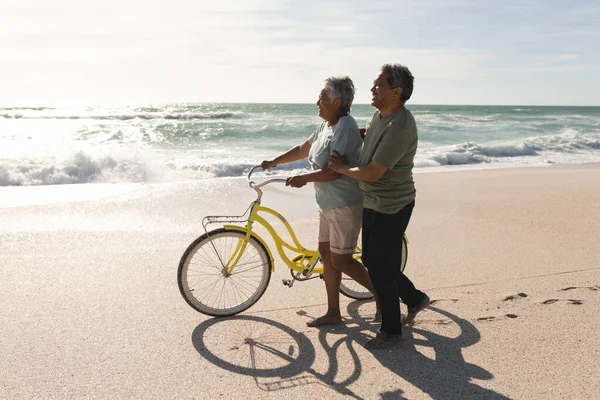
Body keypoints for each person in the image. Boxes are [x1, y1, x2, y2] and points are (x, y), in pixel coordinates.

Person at [261, 76, 379, 327]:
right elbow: (303, 149)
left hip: (344, 203)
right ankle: (334, 313)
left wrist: (303, 178)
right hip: (326, 203)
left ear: (338, 101)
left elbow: (335, 171)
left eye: (322, 97)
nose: (318, 102)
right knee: (327, 257)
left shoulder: (345, 126)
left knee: (342, 260)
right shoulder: (326, 125)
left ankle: (383, 299)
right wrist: (274, 162)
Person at [328, 64, 430, 349]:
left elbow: (373, 172)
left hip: (393, 205)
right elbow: (372, 134)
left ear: (396, 92)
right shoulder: (381, 115)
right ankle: (414, 298)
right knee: (374, 262)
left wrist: (344, 168)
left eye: (378, 86)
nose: (372, 89)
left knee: (381, 268)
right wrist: (353, 133)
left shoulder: (400, 126)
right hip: (374, 201)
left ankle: (391, 331)